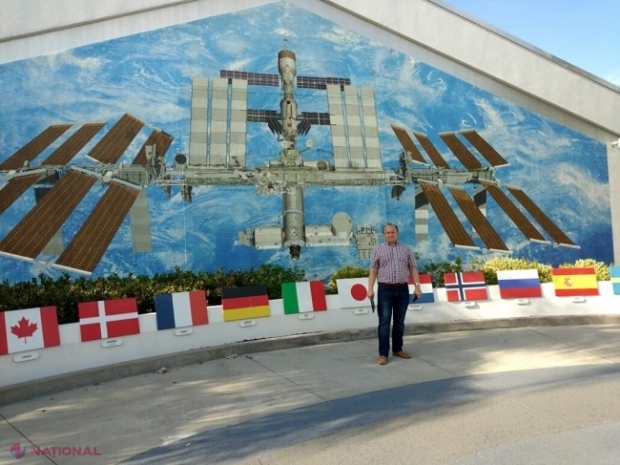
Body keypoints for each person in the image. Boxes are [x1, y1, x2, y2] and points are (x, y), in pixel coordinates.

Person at [367, 223, 422, 365]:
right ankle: (383, 354)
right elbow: (373, 270)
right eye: (388, 232)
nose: (390, 234)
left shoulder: (406, 249)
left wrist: (417, 286)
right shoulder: (378, 250)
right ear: (384, 235)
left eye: (393, 232)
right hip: (385, 290)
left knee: (399, 322)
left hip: (402, 289)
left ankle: (397, 349)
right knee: (384, 322)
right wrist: (370, 289)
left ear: (397, 233)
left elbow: (413, 268)